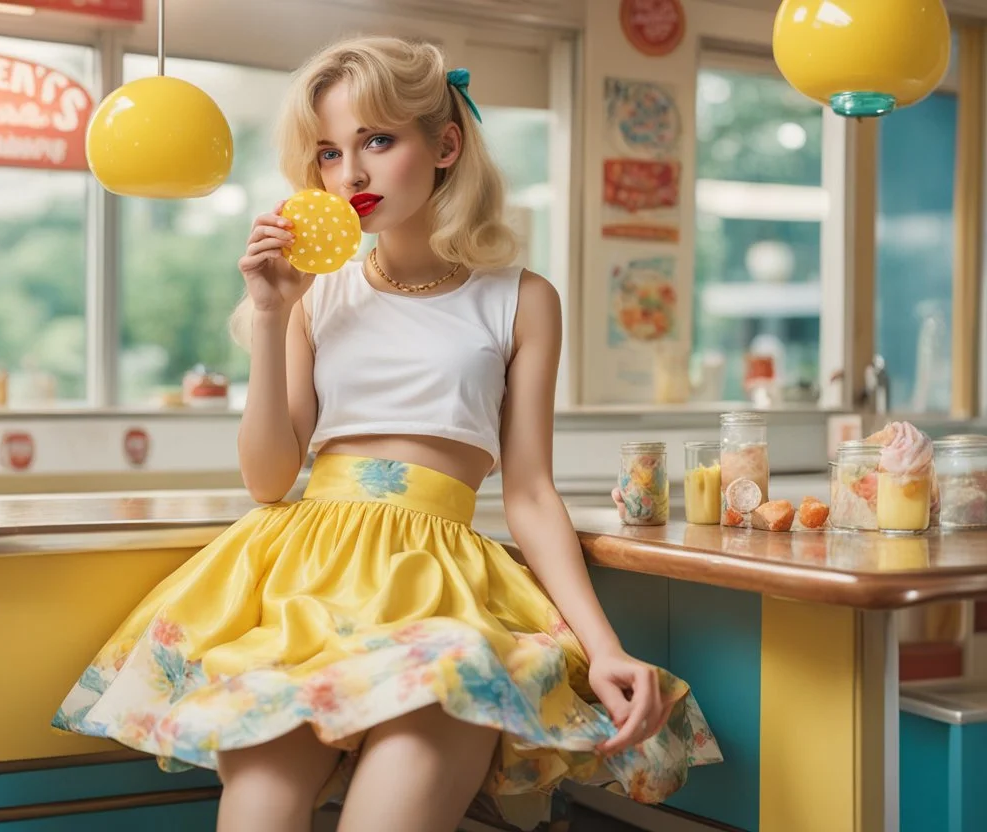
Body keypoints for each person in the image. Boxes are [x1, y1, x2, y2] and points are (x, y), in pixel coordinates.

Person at [53, 35, 721, 832]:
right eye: (330, 153)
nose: (351, 175)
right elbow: (269, 480)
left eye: (377, 140)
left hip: (441, 587)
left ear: (445, 144)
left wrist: (604, 647)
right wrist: (271, 313)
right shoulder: (312, 295)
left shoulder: (522, 299)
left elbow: (532, 492)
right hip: (301, 581)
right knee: (256, 816)